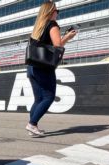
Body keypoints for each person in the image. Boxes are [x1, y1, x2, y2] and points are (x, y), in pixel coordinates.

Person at [26, 1, 76, 137]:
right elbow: (57, 46)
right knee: (49, 97)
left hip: (31, 67)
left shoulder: (38, 28)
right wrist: (68, 37)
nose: (57, 13)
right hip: (43, 67)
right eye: (56, 11)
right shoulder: (52, 25)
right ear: (50, 12)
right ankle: (32, 124)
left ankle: (33, 127)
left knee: (38, 99)